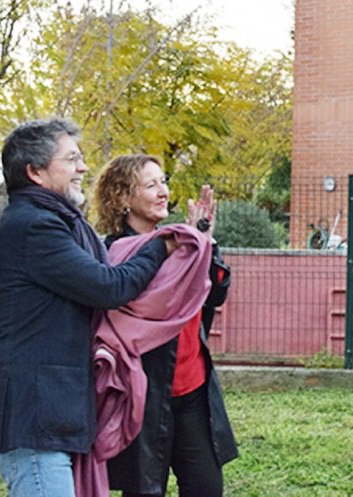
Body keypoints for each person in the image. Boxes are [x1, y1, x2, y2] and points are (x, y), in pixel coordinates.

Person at [0, 118, 179, 497]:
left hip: (49, 415)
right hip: (33, 418)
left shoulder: (51, 221)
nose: (82, 168)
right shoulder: (35, 227)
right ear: (35, 171)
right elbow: (108, 286)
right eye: (71, 160)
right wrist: (160, 246)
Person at [93, 154, 238, 497]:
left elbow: (214, 296)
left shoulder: (179, 245)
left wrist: (206, 244)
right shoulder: (113, 254)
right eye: (151, 184)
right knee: (144, 490)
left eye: (163, 182)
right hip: (144, 396)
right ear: (123, 198)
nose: (163, 192)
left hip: (193, 391)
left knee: (206, 488)